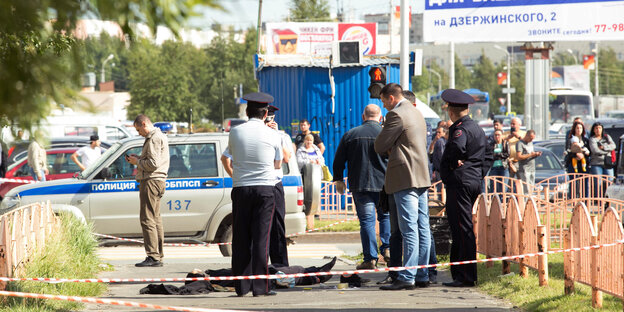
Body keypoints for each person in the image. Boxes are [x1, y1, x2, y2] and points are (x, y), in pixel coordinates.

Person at [374, 83, 431, 290]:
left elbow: (379, 146)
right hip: (421, 175)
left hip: (404, 176)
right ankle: (422, 273)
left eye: (383, 101)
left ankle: (408, 276)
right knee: (422, 227)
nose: (384, 105)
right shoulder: (416, 112)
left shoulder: (396, 115)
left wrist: (390, 144)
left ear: (391, 98)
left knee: (409, 229)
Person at [228, 92, 282, 297]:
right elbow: (278, 164)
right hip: (265, 189)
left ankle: (241, 287)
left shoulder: (235, 132)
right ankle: (260, 288)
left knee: (241, 237)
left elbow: (232, 158)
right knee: (261, 238)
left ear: (246, 111)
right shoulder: (273, 134)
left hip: (241, 188)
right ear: (266, 113)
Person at [439, 89, 489, 287]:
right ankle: (461, 273)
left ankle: (466, 276)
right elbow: (488, 155)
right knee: (461, 226)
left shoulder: (460, 129)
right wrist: (476, 172)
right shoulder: (477, 128)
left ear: (451, 111)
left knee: (462, 228)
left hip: (460, 183)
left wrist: (452, 164)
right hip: (472, 180)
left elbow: (457, 147)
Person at [333, 104, 389, 270]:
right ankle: (388, 250)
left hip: (360, 184)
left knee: (367, 222)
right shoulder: (385, 134)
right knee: (385, 217)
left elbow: (338, 161)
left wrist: (338, 180)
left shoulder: (350, 134)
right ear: (380, 118)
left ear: (363, 116)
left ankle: (370, 259)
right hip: (384, 185)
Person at [126, 115, 170, 267]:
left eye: (138, 129)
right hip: (157, 181)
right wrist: (139, 158)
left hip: (151, 181)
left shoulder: (153, 138)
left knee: (147, 219)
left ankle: (153, 256)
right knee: (155, 218)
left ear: (144, 124)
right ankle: (158, 255)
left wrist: (137, 162)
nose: (139, 133)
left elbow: (153, 163)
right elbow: (153, 160)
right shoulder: (158, 136)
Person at [296, 133, 324, 229]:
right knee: (307, 196)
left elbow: (322, 160)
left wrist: (318, 162)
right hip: (306, 177)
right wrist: (309, 162)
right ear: (305, 141)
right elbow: (298, 162)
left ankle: (316, 214)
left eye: (311, 141)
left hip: (316, 176)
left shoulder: (316, 150)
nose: (309, 142)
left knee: (316, 194)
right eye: (307, 141)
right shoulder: (301, 150)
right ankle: (308, 218)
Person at [588, 122, 616, 197]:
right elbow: (595, 150)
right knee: (598, 183)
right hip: (597, 163)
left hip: (608, 162)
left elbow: (613, 146)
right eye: (596, 128)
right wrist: (607, 151)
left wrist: (604, 147)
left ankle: (608, 198)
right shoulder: (592, 139)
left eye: (599, 128)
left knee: (609, 180)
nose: (598, 130)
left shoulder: (607, 137)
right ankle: (599, 199)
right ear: (593, 130)